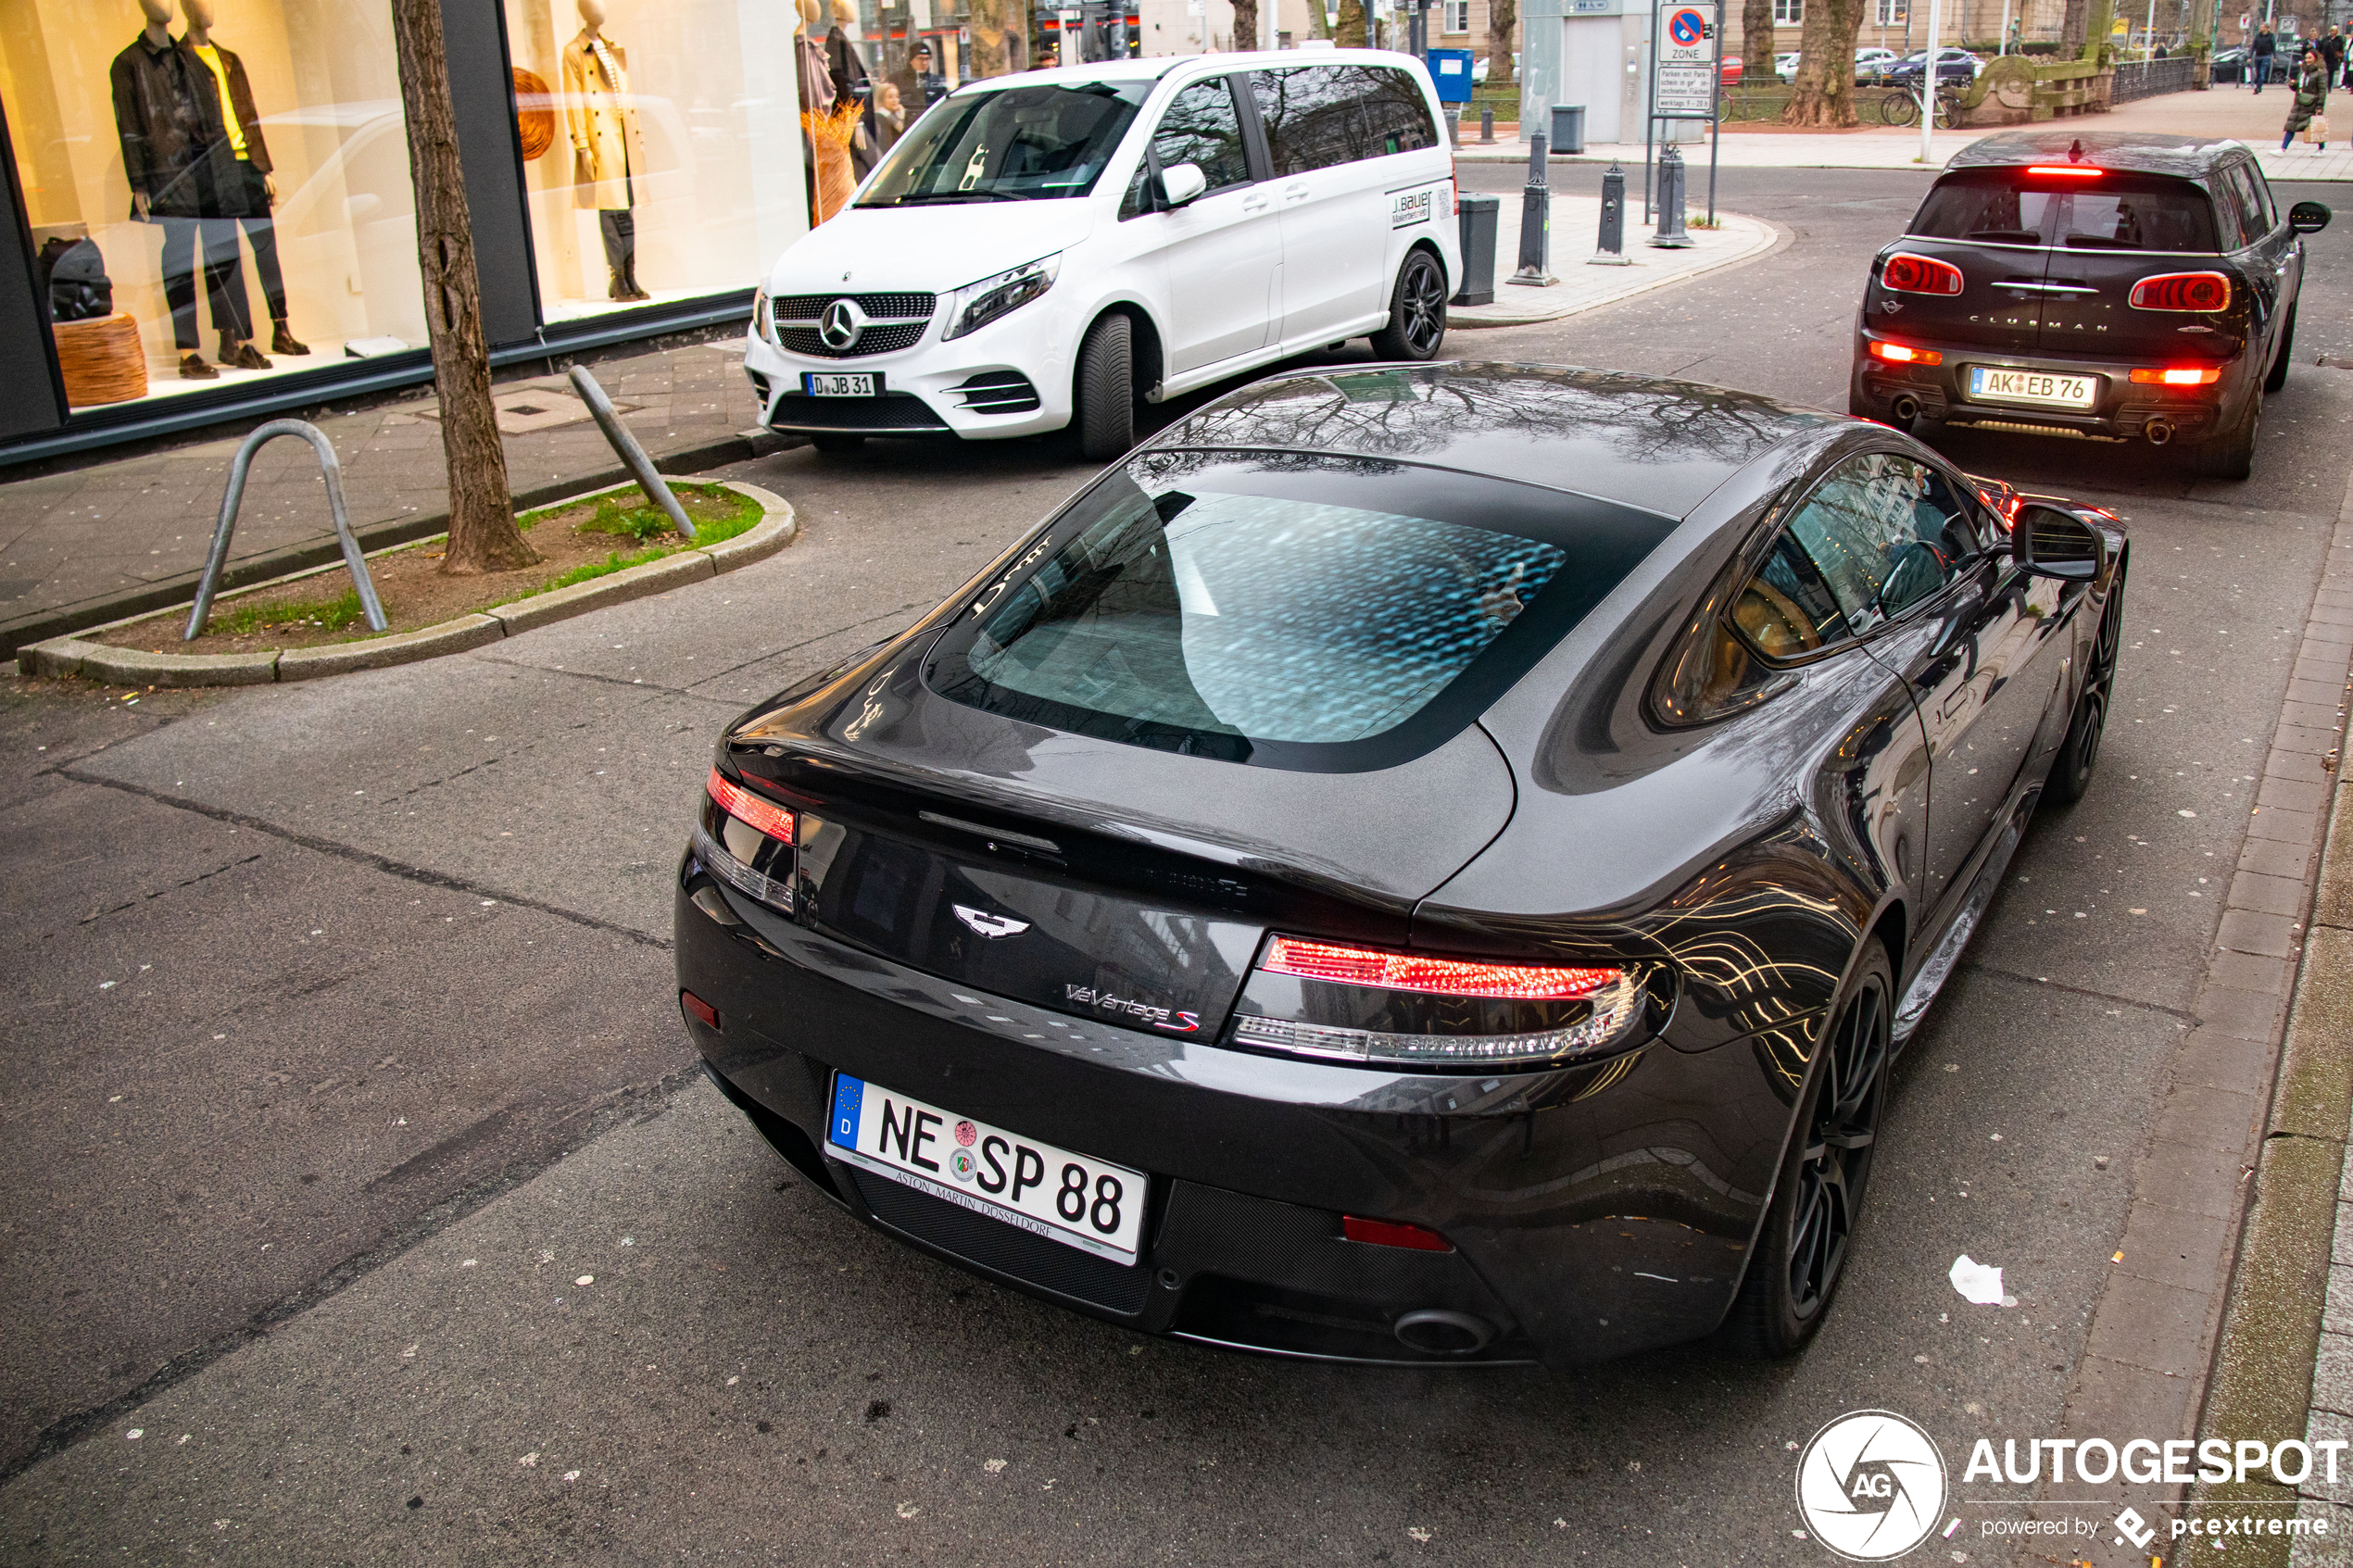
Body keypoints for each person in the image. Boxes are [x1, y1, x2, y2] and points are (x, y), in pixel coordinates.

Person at [2284, 43, 2329, 149]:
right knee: (2291, 125)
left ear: (2316, 58)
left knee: (2315, 126)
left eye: (2310, 58)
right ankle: (2283, 148)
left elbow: (2322, 90)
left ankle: (2322, 148)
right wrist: (2293, 84)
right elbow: (2300, 85)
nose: (2307, 60)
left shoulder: (2321, 72)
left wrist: (2320, 106)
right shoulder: (2303, 71)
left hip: (2312, 103)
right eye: (2306, 58)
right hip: (2299, 102)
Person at [2252, 24, 2275, 92]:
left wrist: (2275, 56)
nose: (2261, 28)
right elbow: (2253, 46)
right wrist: (2250, 56)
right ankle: (2259, 86)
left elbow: (2273, 46)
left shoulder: (2271, 36)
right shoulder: (2258, 36)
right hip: (2258, 56)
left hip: (2266, 56)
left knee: (2262, 72)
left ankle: (2258, 87)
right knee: (2258, 72)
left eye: (2262, 27)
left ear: (2266, 28)